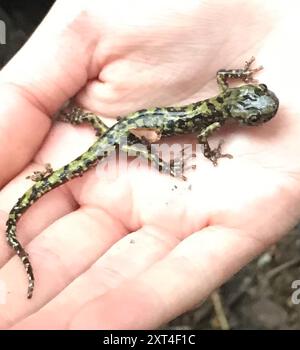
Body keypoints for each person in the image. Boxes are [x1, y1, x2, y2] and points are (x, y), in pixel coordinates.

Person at [0, 0, 298, 329]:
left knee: (118, 141)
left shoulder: (222, 97)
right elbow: (203, 137)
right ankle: (17, 222)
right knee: (132, 149)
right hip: (124, 136)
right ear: (239, 113)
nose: (260, 114)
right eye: (256, 115)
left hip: (122, 127)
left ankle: (89, 123)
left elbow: (221, 78)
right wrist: (205, 155)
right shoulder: (213, 121)